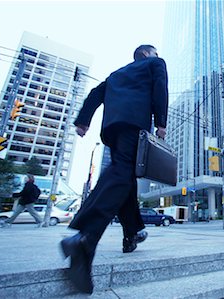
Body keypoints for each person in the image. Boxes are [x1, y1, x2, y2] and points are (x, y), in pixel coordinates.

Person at [60, 45, 168, 294]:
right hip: (135, 124)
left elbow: (95, 94)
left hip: (112, 128)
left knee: (124, 177)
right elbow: (160, 88)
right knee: (121, 173)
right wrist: (161, 123)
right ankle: (84, 239)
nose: (156, 55)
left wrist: (83, 120)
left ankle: (131, 233)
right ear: (147, 54)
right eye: (154, 52)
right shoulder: (156, 64)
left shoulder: (116, 75)